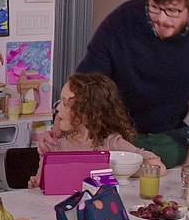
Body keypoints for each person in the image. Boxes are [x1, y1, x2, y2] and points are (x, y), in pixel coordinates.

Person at [41, 0, 189, 168]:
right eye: (154, 7)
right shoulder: (122, 20)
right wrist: (58, 129)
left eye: (173, 11)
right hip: (117, 137)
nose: (162, 19)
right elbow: (85, 85)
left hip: (170, 137)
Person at [28, 73, 165, 189]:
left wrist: (115, 170)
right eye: (60, 102)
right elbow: (41, 183)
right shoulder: (53, 146)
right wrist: (36, 182)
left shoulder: (111, 143)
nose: (58, 108)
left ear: (89, 114)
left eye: (66, 104)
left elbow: (158, 166)